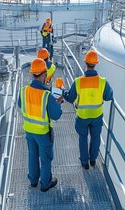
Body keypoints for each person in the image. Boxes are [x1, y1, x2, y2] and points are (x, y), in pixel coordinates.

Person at [18, 58, 63, 192]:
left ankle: (33, 180)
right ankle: (45, 183)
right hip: (43, 132)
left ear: (33, 74)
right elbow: (56, 115)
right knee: (45, 158)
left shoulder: (23, 90)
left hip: (29, 130)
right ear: (43, 74)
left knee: (32, 155)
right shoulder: (47, 95)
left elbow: (21, 105)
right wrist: (58, 103)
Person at [63, 50, 113, 170]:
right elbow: (108, 97)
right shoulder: (102, 81)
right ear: (96, 64)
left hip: (82, 116)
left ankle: (84, 162)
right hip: (96, 116)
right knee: (96, 138)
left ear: (85, 63)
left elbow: (70, 98)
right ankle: (93, 160)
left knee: (83, 138)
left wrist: (63, 91)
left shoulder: (78, 81)